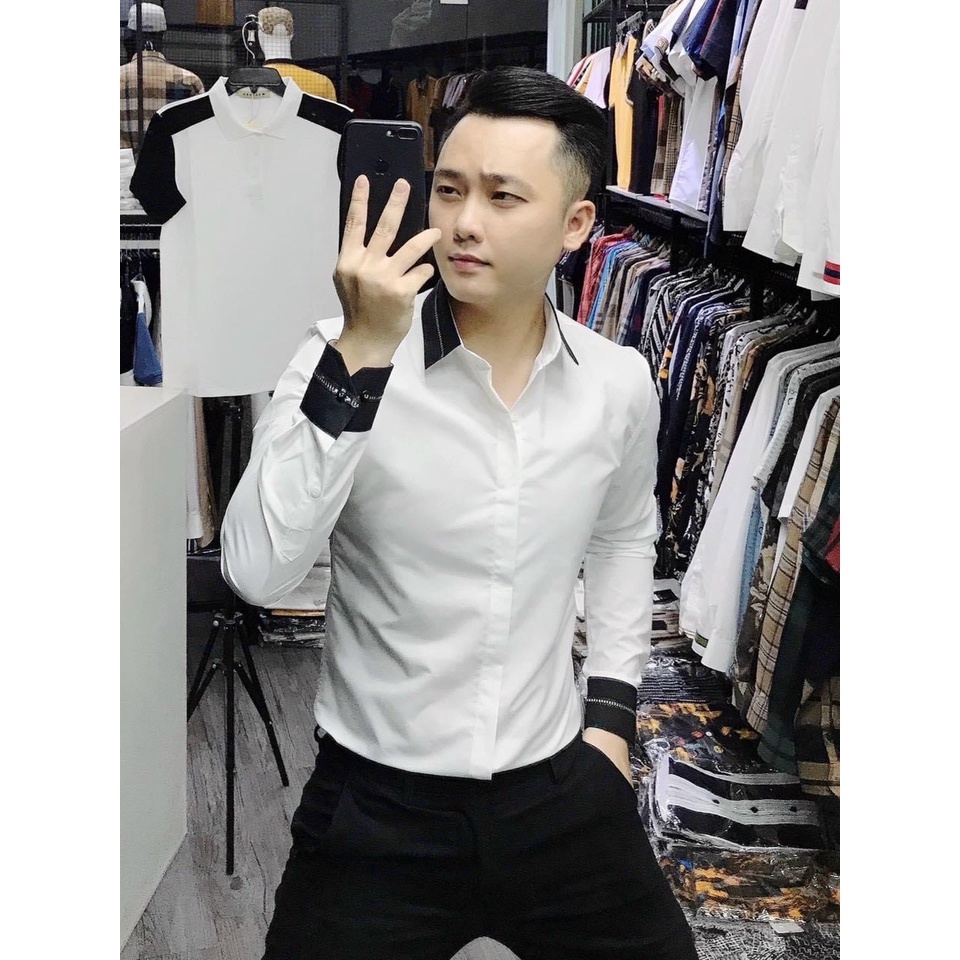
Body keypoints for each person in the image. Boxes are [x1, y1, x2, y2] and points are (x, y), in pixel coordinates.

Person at [221, 66, 699, 960]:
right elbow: (256, 570)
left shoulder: (617, 382)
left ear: (575, 226)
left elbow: (624, 536)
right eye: (449, 189)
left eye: (503, 196)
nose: (464, 222)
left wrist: (611, 716)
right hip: (376, 808)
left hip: (559, 788)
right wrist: (361, 355)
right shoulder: (340, 358)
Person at [120, 3, 204, 154]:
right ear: (163, 35)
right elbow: (199, 138)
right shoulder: (190, 82)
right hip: (171, 168)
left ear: (129, 35)